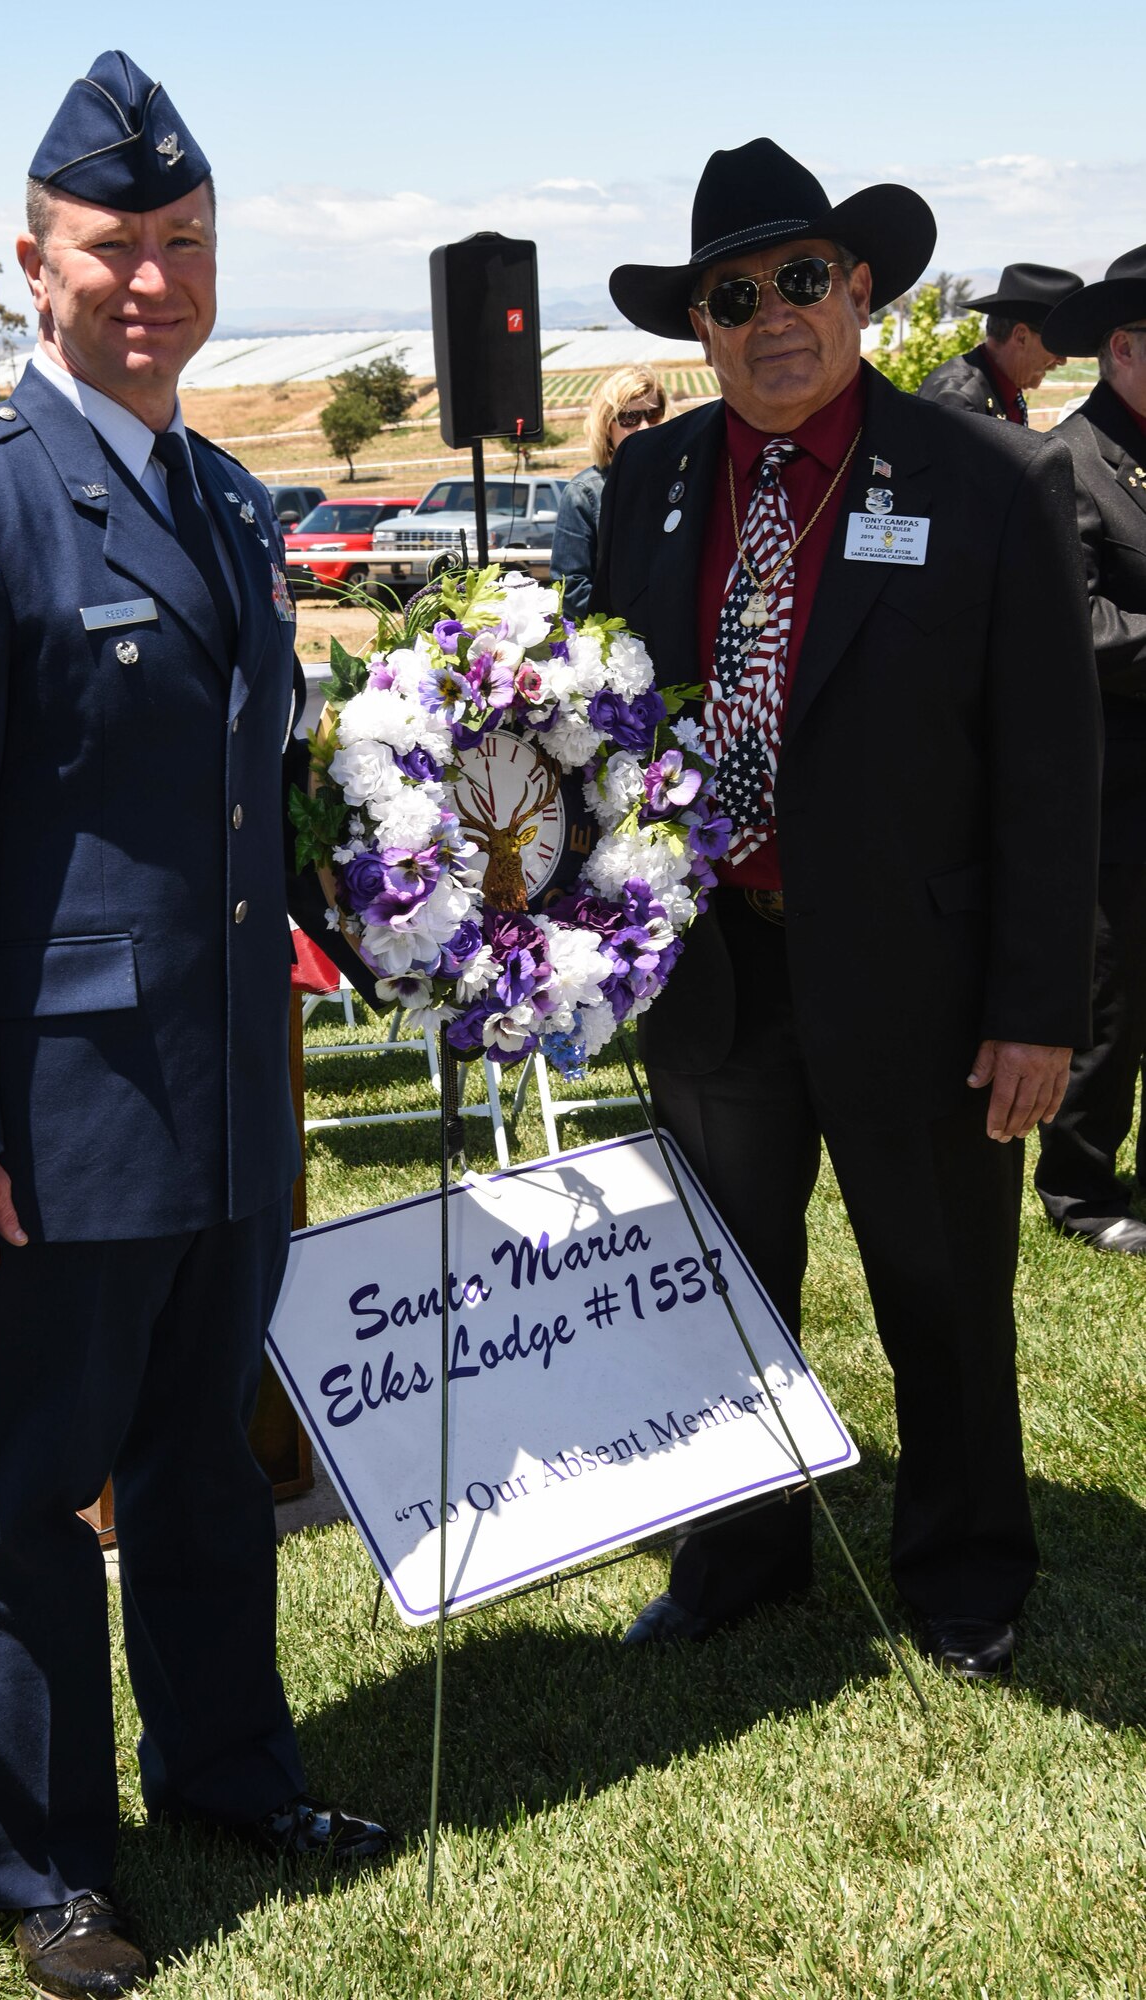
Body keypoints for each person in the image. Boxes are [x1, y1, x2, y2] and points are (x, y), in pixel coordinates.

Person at [0, 51, 386, 2000]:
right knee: (31, 1493)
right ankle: (44, 1858)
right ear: (34, 265)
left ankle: (232, 1772)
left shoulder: (225, 501)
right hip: (53, 1123)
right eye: (112, 246)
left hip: (225, 1100)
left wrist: (404, 921)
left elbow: (253, 804)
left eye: (184, 244)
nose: (151, 278)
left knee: (208, 1468)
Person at [594, 138, 1099, 1681]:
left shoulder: (988, 483)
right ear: (701, 327)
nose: (771, 317)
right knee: (723, 1285)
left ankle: (960, 1566)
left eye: (801, 279)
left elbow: (1050, 773)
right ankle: (741, 1549)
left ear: (860, 288)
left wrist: (1036, 1011)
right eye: (732, 296)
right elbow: (605, 724)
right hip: (716, 974)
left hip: (924, 984)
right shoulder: (652, 482)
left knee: (941, 1293)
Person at [1031, 251, 1146, 1253]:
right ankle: (1078, 1185)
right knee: (1108, 999)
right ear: (1120, 349)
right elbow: (1077, 624)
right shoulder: (1072, 459)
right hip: (1117, 789)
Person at [551, 364, 667, 614]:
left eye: (654, 414)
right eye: (629, 418)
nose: (645, 427)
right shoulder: (584, 493)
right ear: (606, 425)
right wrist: (632, 624)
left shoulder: (683, 480)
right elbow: (571, 589)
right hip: (620, 643)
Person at [918, 262, 1081, 423]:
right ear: (1021, 337)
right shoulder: (957, 399)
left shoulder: (1000, 388)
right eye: (1056, 345)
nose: (1062, 361)